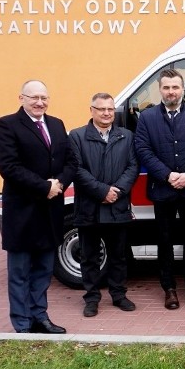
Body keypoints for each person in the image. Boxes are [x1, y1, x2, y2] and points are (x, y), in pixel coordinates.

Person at [0, 79, 76, 333]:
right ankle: (22, 323)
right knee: (19, 272)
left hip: (50, 211)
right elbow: (9, 167)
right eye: (34, 98)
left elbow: (71, 161)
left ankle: (40, 317)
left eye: (44, 97)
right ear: (22, 98)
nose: (40, 102)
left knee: (43, 269)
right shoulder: (6, 125)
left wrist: (60, 183)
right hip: (22, 212)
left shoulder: (57, 124)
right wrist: (44, 187)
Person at [134, 69, 185, 310]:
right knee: (164, 241)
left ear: (182, 89)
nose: (171, 92)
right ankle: (169, 289)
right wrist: (168, 175)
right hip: (162, 189)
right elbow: (143, 149)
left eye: (175, 87)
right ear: (160, 89)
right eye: (166, 87)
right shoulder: (147, 118)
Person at [69, 92, 139, 317]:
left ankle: (119, 295)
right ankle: (91, 298)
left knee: (118, 255)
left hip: (117, 207)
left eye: (110, 109)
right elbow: (76, 170)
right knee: (89, 256)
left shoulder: (126, 136)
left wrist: (116, 191)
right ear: (92, 110)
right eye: (101, 109)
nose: (107, 113)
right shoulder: (77, 136)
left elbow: (132, 167)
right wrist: (102, 191)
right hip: (89, 207)